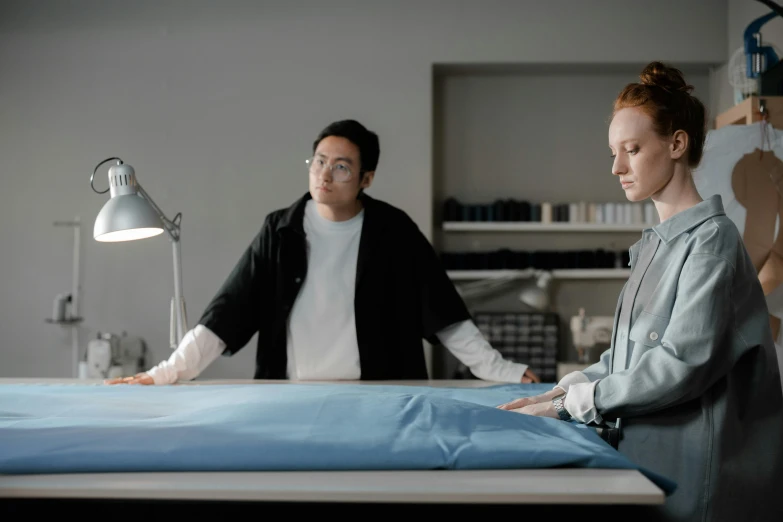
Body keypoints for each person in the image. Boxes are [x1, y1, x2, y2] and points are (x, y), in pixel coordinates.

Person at [497, 62, 783, 522]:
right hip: (652, 460)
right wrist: (567, 388)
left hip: (699, 476)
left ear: (676, 144)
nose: (617, 167)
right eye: (613, 151)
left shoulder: (711, 243)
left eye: (631, 149)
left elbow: (680, 363)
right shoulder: (659, 243)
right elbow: (629, 355)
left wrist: (576, 404)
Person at [107, 119, 540, 385]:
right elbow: (227, 312)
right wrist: (166, 372)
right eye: (318, 161)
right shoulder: (279, 229)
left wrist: (500, 369)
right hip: (290, 392)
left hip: (381, 394)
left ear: (366, 178)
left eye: (341, 167)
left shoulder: (394, 231)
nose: (325, 175)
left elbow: (444, 314)